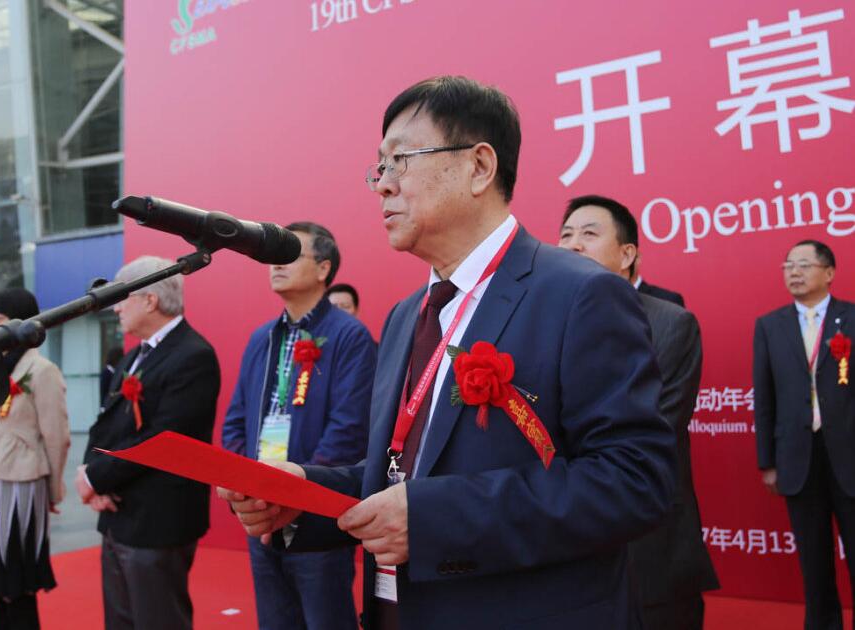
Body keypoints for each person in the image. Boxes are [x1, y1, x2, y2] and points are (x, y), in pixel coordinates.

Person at [223, 76, 675, 629]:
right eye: (379, 167)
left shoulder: (579, 294)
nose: (382, 186)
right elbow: (401, 473)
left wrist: (435, 519)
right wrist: (304, 494)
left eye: (400, 161)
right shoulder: (405, 315)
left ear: (479, 167)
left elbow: (633, 480)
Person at [558, 194, 719, 629]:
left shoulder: (670, 323)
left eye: (588, 234)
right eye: (566, 235)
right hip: (567, 543)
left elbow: (650, 432)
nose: (572, 244)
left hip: (649, 543)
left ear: (627, 254)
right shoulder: (546, 323)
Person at [222, 223, 376, 630]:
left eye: (289, 255)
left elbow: (349, 430)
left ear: (324, 269)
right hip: (262, 509)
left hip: (315, 516)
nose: (275, 264)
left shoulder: (350, 336)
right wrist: (247, 486)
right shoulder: (261, 338)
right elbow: (235, 420)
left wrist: (296, 492)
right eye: (272, 257)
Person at [77, 255, 221, 630]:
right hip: (118, 517)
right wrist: (89, 471)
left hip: (158, 521)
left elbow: (165, 440)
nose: (116, 307)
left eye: (122, 297)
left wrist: (96, 478)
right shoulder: (133, 357)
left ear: (150, 300)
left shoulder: (193, 355)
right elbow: (104, 422)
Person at [754, 240, 855, 630]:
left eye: (803, 265)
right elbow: (764, 397)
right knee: (814, 561)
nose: (794, 272)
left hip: (848, 454)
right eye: (788, 265)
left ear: (829, 273)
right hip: (798, 457)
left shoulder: (851, 317)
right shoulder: (770, 325)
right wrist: (767, 461)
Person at [0, 287, 70, 629]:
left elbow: (56, 436)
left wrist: (53, 490)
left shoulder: (41, 370)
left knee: (15, 579)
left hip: (23, 481)